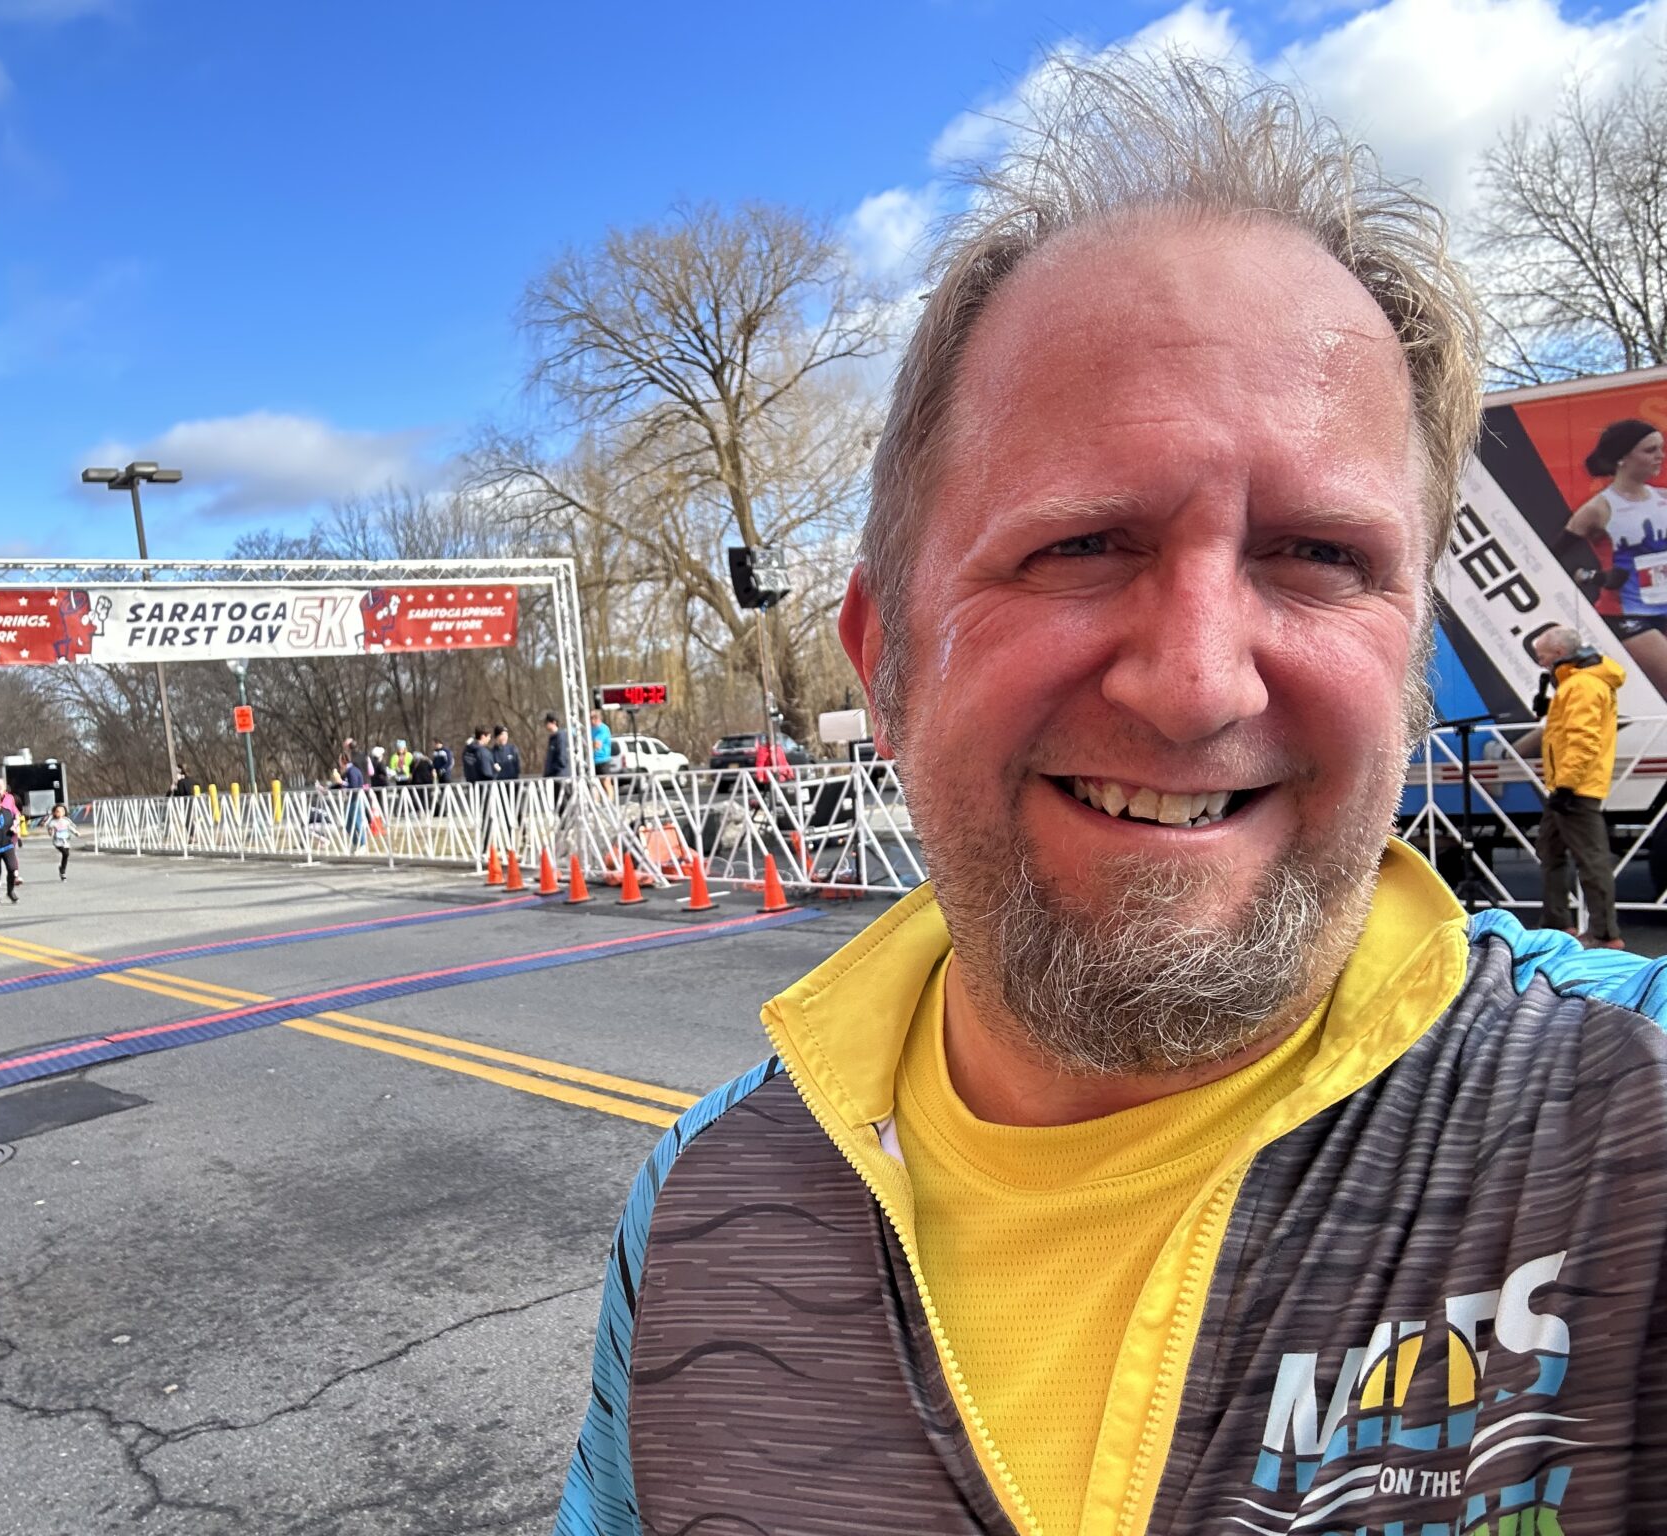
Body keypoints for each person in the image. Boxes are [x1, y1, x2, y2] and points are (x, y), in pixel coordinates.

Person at [553, 57, 1667, 1536]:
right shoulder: (699, 1210)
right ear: (886, 657)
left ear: (1407, 665)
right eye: (1081, 545)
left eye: (1321, 557)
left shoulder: (1627, 1123)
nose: (1199, 683)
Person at [1533, 625, 1626, 948]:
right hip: (1567, 786)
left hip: (1575, 790)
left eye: (1541, 656)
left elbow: (1583, 741)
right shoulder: (1575, 683)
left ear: (1558, 654)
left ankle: (1604, 934)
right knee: (1550, 849)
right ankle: (1557, 923)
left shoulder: (1581, 685)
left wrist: (1566, 787)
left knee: (1591, 859)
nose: (1539, 662)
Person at [1567, 417, 1667, 695]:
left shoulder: (1663, 498)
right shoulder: (1598, 508)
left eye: (1661, 448)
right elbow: (1555, 559)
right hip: (1626, 613)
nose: (1660, 456)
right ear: (1623, 457)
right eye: (1650, 450)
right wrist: (1596, 576)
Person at [44, 803, 79, 881]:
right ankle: (63, 871)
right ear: (54, 813)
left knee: (66, 855)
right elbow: (50, 832)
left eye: (61, 811)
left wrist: (76, 832)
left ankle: (62, 870)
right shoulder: (52, 822)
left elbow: (70, 827)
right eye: (57, 811)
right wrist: (50, 832)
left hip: (66, 841)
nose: (59, 813)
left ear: (64, 812)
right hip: (57, 842)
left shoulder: (66, 820)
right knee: (65, 853)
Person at [589, 709, 614, 778]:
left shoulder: (603, 729)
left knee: (606, 783)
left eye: (593, 717)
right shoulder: (589, 729)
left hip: (603, 761)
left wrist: (586, 744)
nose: (591, 720)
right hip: (592, 762)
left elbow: (597, 744)